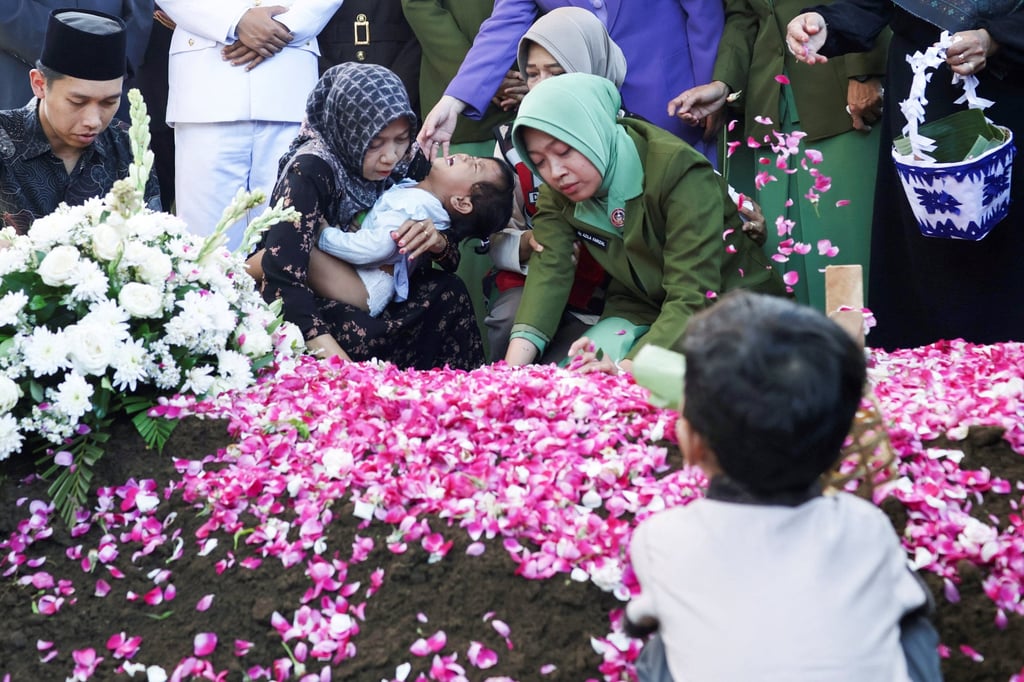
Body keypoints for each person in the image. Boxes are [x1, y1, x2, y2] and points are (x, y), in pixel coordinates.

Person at [626, 290, 942, 682]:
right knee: (909, 626)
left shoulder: (660, 539)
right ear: (837, 446)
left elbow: (637, 622)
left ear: (692, 445)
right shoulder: (868, 526)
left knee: (659, 650)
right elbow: (915, 607)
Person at [503, 73, 784, 371]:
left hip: (726, 307)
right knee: (575, 381)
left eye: (564, 151)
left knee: (649, 394)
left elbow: (693, 292)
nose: (555, 171)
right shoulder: (559, 192)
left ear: (594, 130)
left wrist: (625, 371)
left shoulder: (679, 171)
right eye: (539, 161)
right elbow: (550, 270)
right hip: (638, 306)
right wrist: (510, 374)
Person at [786, 0, 1024, 347]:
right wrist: (824, 22)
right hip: (922, 93)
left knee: (1006, 240)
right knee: (929, 237)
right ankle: (926, 371)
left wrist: (994, 39)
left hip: (1009, 89)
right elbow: (868, 6)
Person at [255, 63, 486, 369]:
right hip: (310, 291)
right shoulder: (311, 170)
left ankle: (456, 403)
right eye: (374, 144)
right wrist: (343, 372)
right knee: (364, 333)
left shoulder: (406, 158)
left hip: (375, 283)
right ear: (347, 131)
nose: (391, 156)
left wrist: (437, 242)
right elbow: (282, 279)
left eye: (401, 139)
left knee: (448, 291)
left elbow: (452, 253)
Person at [667, 0, 889, 310]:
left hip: (838, 92)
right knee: (782, 254)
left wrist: (865, 70)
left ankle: (851, 350)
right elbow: (743, 14)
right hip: (770, 102)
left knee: (843, 249)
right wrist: (723, 83)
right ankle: (796, 353)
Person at [416, 0, 727, 164]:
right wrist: (452, 102)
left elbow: (705, 16)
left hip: (675, 104)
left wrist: (709, 87)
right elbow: (501, 28)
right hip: (587, 120)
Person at [159, 0, 342, 250]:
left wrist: (284, 28)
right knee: (206, 245)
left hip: (289, 77)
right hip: (206, 81)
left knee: (286, 238)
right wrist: (235, 21)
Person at [402, 0, 520, 358]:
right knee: (463, 245)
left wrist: (537, 76)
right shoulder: (456, 161)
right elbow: (419, 6)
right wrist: (482, 79)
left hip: (528, 97)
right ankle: (472, 368)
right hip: (458, 111)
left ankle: (517, 363)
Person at [1, 8, 161, 234]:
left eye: (108, 103)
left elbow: (150, 242)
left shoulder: (129, 145)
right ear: (39, 84)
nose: (93, 121)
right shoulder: (3, 141)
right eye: (77, 102)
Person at [309, 153, 514, 317]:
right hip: (354, 274)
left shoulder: (414, 209)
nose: (467, 157)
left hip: (361, 289)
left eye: (475, 166)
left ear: (462, 202)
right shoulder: (415, 190)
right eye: (475, 157)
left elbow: (376, 248)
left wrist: (325, 234)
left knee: (295, 240)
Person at [0, 1, 153, 116]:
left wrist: (118, 57)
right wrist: (69, 46)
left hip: (112, 86)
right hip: (26, 76)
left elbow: (140, 11)